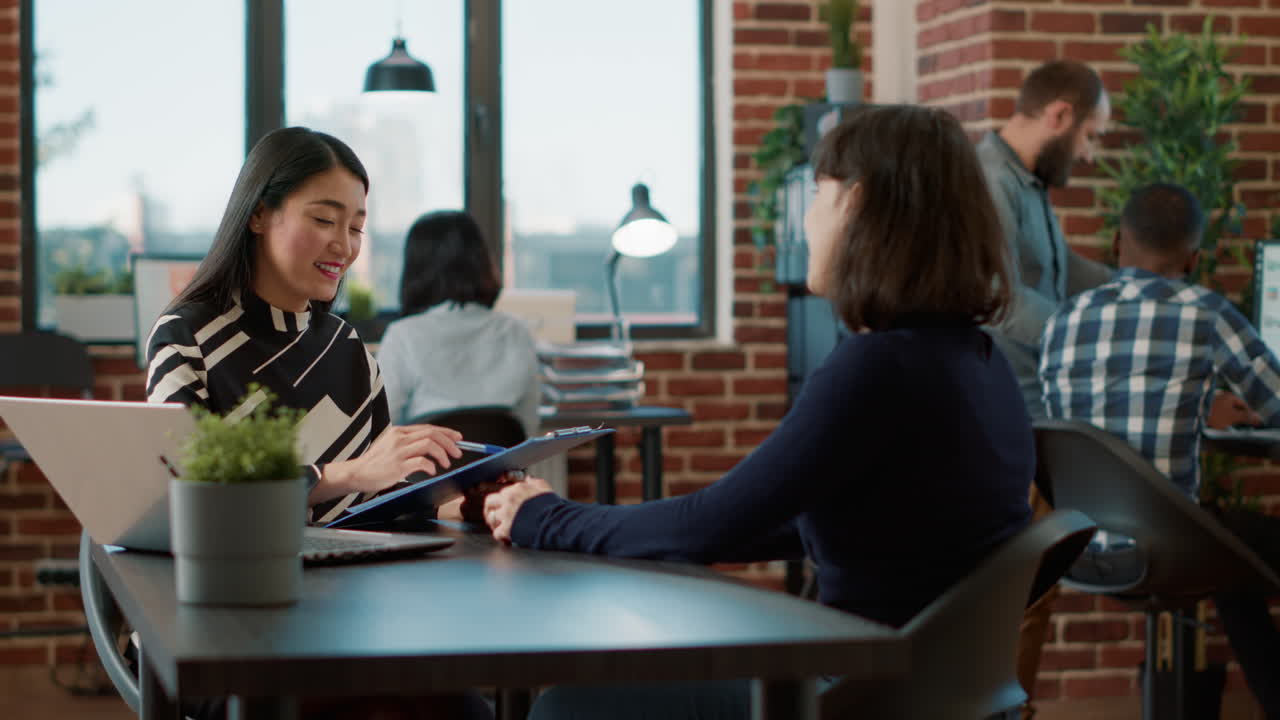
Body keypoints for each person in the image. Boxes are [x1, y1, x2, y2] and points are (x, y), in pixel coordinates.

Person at [482, 104, 1036, 719]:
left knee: (572, 706)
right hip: (930, 696)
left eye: (817, 192)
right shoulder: (981, 364)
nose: (805, 217)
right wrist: (564, 519)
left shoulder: (877, 369)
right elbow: (810, 523)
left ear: (856, 203)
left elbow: (708, 526)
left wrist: (544, 519)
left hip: (854, 697)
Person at [144, 126, 490, 720]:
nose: (344, 244)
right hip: (233, 618)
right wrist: (345, 473)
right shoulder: (187, 336)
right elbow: (191, 493)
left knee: (468, 706)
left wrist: (462, 499)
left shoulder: (348, 349)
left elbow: (379, 499)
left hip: (351, 610)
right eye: (325, 220)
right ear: (259, 214)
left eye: (356, 226)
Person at [1040, 183, 1280, 716]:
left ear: (1117, 243)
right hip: (1168, 553)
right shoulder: (1207, 314)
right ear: (1194, 259)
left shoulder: (1064, 319)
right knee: (1241, 547)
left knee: (1234, 564)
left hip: (1075, 549)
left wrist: (1194, 403)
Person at [976, 60, 1114, 711]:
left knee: (1031, 594)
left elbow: (1061, 276)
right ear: (1059, 115)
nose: (1088, 153)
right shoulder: (988, 183)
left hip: (1036, 413)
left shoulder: (1026, 186)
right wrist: (1095, 337)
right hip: (1007, 419)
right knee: (1024, 595)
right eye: (1090, 135)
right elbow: (1000, 300)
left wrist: (1137, 286)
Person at [377, 210, 541, 435]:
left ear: (415, 268)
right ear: (482, 261)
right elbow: (529, 424)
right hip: (503, 469)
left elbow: (382, 427)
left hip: (426, 469)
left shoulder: (402, 336)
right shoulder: (516, 331)